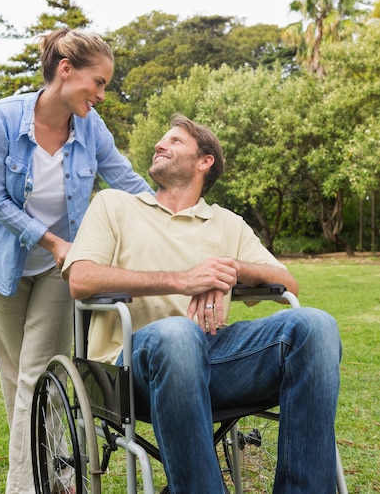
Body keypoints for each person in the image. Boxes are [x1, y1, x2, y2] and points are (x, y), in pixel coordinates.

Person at [62, 114, 342, 494]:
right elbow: (81, 278)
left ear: (204, 161)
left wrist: (231, 268)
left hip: (217, 357)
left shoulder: (228, 222)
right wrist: (183, 280)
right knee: (178, 334)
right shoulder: (114, 205)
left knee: (316, 326)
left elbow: (287, 282)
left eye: (174, 141)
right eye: (163, 140)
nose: (160, 145)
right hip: (131, 367)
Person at [0, 28, 153, 494]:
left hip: (59, 270)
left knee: (37, 373)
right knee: (18, 379)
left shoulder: (91, 128)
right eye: (99, 82)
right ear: (66, 70)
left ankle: (26, 487)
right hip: (1, 266)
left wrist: (170, 216)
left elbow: (126, 181)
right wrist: (51, 240)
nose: (102, 95)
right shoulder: (3, 117)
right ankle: (57, 470)